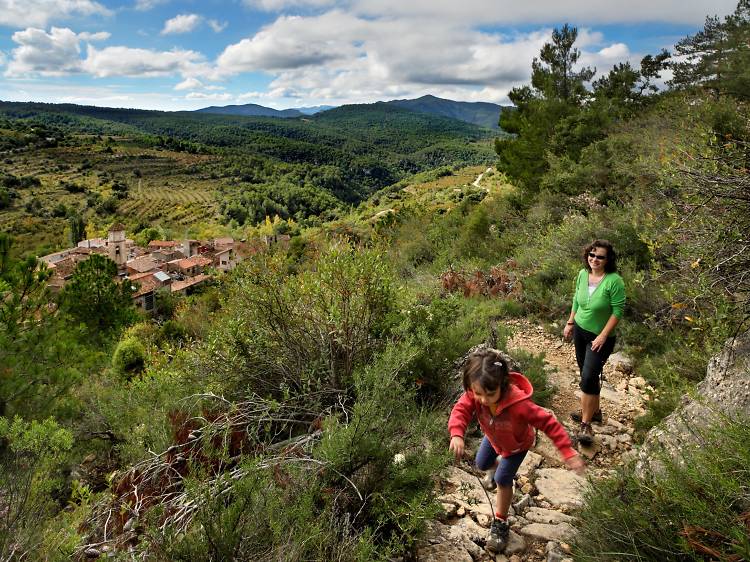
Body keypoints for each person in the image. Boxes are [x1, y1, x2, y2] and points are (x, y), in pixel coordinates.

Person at [448, 348, 585, 553]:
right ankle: (494, 471)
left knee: (504, 479)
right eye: (478, 394)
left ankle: (500, 523)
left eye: (490, 394)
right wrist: (457, 433)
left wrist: (567, 451)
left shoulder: (520, 404)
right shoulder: (474, 393)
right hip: (494, 438)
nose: (483, 400)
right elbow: (461, 410)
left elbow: (548, 423)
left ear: (502, 384)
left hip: (517, 445)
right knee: (482, 463)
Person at [563, 239, 626, 446]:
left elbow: (617, 311)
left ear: (608, 259)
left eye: (600, 256)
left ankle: (585, 424)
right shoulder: (583, 274)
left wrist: (603, 335)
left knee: (589, 376)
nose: (594, 259)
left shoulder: (614, 281)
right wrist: (571, 322)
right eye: (592, 255)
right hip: (580, 331)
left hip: (600, 338)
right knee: (586, 374)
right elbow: (576, 299)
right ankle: (595, 412)